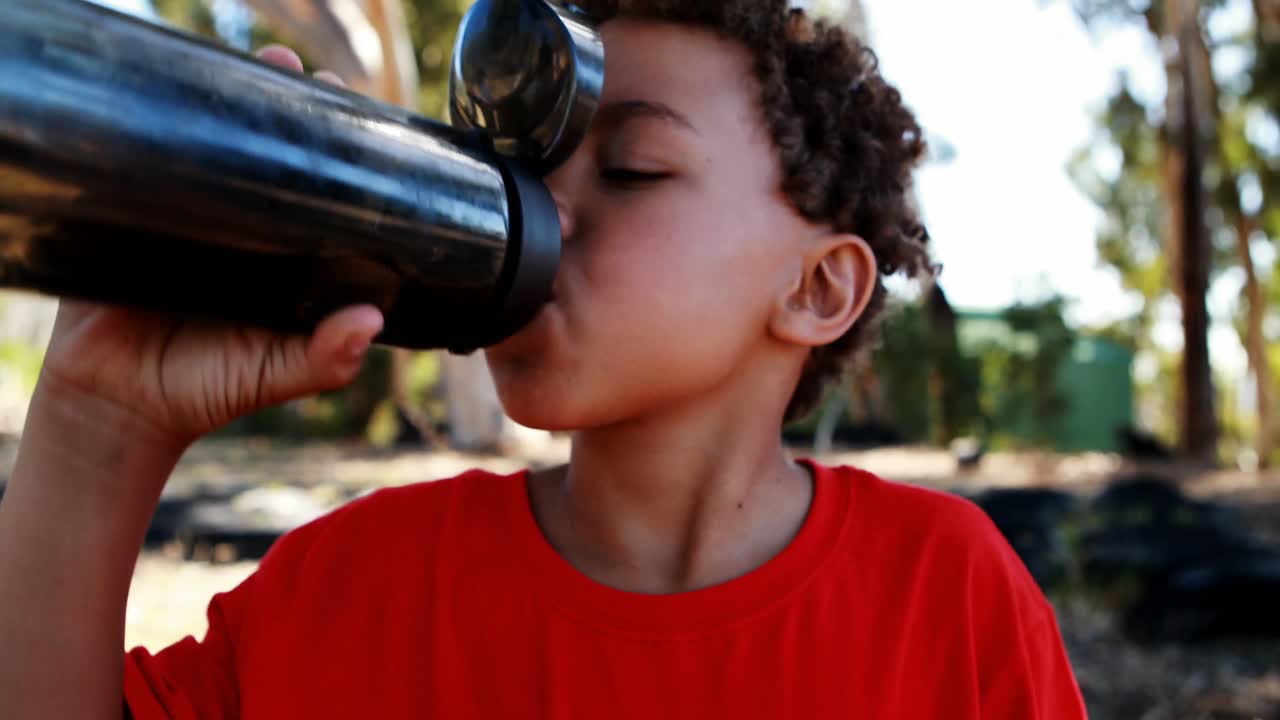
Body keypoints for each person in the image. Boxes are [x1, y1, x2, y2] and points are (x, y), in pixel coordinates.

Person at [0, 1, 1089, 717]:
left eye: (632, 169)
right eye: (522, 166)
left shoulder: (940, 595)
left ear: (816, 288)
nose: (539, 210)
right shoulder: (347, 591)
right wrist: (100, 424)